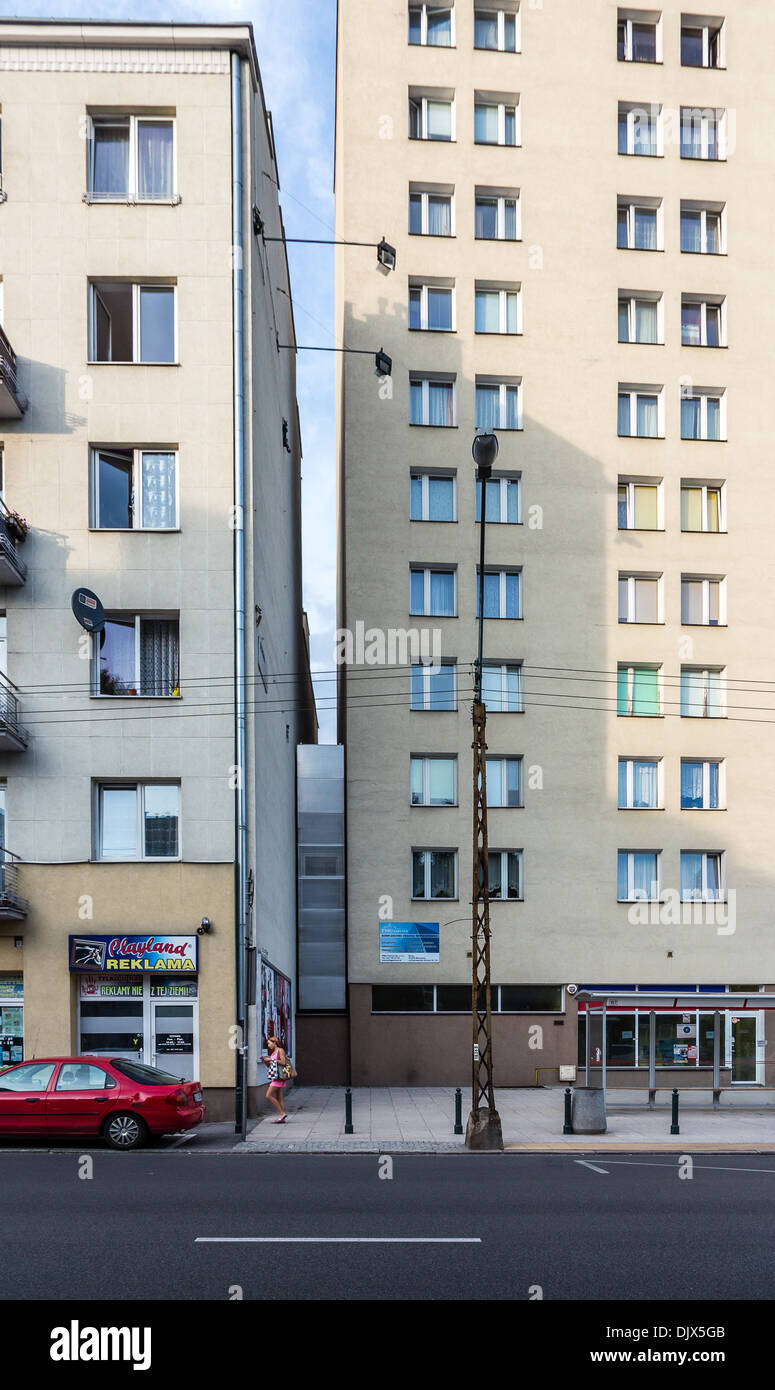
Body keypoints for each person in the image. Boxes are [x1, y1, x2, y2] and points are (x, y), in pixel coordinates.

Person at [261, 1034, 288, 1123]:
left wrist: (271, 1060)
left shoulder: (280, 1050)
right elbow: (270, 1066)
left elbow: (283, 1062)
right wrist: (265, 1060)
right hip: (275, 1077)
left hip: (279, 1078)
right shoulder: (273, 1053)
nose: (268, 1046)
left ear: (274, 1043)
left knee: (268, 1096)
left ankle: (281, 1114)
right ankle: (282, 1117)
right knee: (279, 1097)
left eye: (269, 1044)